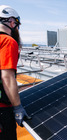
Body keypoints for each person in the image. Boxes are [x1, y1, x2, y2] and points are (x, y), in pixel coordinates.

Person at [0, 5, 30, 140]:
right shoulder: (8, 41)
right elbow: (7, 77)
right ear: (12, 22)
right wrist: (17, 108)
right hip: (2, 109)